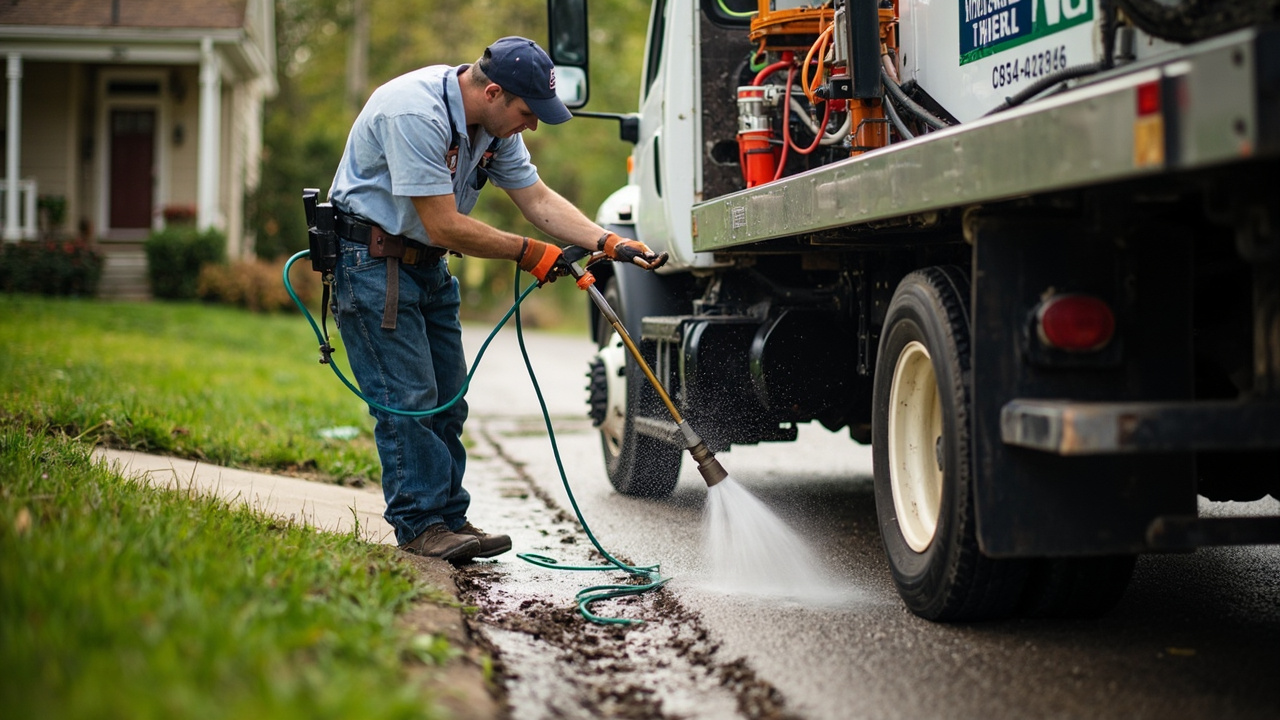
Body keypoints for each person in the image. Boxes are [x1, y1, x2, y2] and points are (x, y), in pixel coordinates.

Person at [327, 36, 665, 564]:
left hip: (427, 266)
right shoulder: (414, 112)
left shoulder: (493, 128)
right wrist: (528, 252)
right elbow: (443, 224)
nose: (532, 126)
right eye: (528, 113)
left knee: (448, 399)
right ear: (492, 92)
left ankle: (448, 517)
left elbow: (537, 199)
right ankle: (420, 525)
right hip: (373, 265)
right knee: (409, 400)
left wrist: (608, 241)